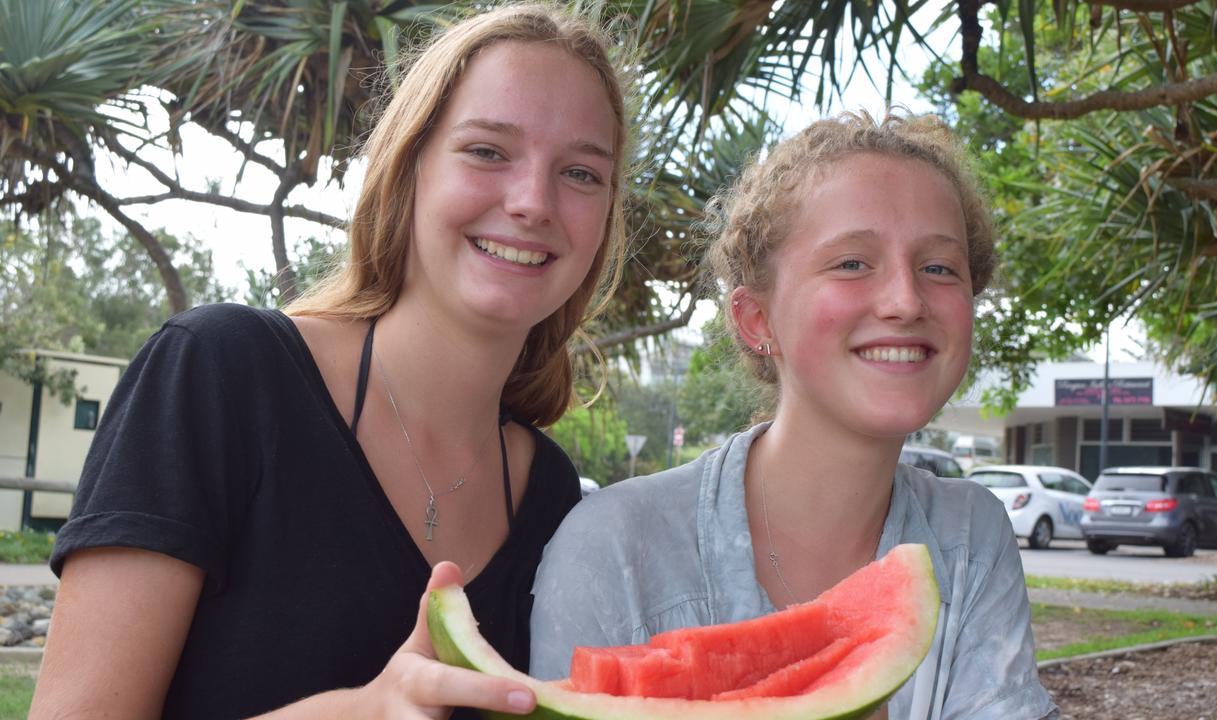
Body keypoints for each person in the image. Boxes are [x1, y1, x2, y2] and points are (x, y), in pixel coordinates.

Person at [30, 4, 629, 718]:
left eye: (582, 173)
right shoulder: (220, 374)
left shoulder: (549, 493)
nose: (533, 202)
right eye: (487, 151)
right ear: (408, 169)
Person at [529, 111, 1058, 719]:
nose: (906, 301)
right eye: (852, 263)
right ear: (756, 320)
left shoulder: (971, 539)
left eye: (939, 267)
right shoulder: (612, 546)